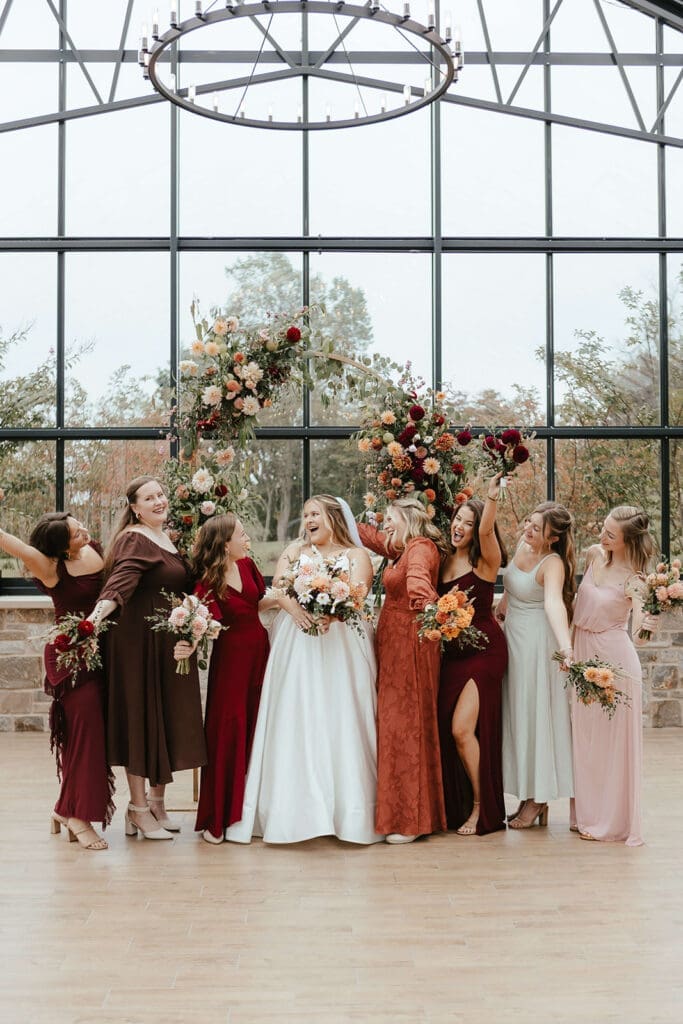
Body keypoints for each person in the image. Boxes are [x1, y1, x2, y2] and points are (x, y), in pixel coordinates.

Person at [225, 495, 383, 846]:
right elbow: (275, 592)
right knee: (297, 716)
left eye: (315, 513)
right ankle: (293, 811)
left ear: (333, 517)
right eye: (305, 514)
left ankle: (351, 813)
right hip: (297, 644)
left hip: (343, 645)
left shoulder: (356, 555)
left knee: (345, 716)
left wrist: (332, 613)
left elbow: (358, 593)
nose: (308, 519)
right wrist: (294, 608)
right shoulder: (294, 553)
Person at [87, 476, 206, 840]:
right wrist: (93, 621)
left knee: (166, 717)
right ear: (134, 507)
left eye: (161, 495)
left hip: (168, 642)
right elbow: (119, 583)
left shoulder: (166, 539)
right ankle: (138, 809)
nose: (159, 501)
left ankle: (156, 803)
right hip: (137, 644)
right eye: (149, 497)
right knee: (140, 719)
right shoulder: (134, 538)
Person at [0, 513, 113, 850]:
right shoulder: (49, 568)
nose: (84, 531)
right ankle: (79, 816)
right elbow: (12, 543)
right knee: (86, 736)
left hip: (103, 651)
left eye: (79, 524)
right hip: (72, 656)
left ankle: (64, 809)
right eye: (76, 534)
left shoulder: (93, 549)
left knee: (90, 737)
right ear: (61, 549)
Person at [358, 497, 447, 844]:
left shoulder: (420, 548)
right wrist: (342, 516)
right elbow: (371, 537)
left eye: (391, 519)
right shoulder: (400, 547)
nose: (386, 526)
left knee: (406, 726)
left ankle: (411, 820)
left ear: (407, 519)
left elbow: (419, 582)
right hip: (394, 646)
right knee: (394, 725)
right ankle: (403, 813)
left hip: (412, 644)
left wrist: (427, 604)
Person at [571, 506, 657, 846]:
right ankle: (587, 814)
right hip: (582, 653)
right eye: (604, 529)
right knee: (586, 739)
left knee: (612, 746)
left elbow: (637, 635)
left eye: (610, 534)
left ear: (627, 541)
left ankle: (609, 822)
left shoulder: (636, 580)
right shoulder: (594, 555)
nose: (602, 536)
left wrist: (649, 625)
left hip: (615, 661)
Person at [183, 514, 271, 845]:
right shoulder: (206, 582)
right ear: (224, 544)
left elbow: (258, 602)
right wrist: (188, 642)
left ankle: (251, 812)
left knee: (256, 726)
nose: (247, 539)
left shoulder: (248, 566)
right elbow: (202, 623)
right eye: (242, 534)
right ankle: (217, 816)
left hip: (260, 653)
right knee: (227, 729)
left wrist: (289, 602)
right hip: (231, 661)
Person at [437, 475, 508, 837]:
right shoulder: (442, 558)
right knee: (448, 734)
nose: (459, 527)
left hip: (483, 652)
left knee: (461, 730)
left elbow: (484, 534)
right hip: (451, 655)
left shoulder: (486, 561)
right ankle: (457, 804)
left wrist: (491, 499)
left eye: (468, 522)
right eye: (457, 519)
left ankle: (482, 808)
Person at [498, 502, 575, 829]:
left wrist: (566, 646)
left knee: (535, 716)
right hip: (511, 639)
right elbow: (512, 587)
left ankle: (539, 798)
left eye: (536, 528)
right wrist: (500, 607)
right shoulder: (522, 546)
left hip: (536, 645)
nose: (527, 530)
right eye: (528, 522)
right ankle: (527, 794)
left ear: (553, 538)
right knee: (518, 716)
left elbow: (553, 603)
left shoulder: (552, 563)